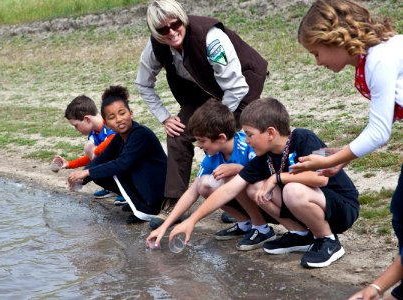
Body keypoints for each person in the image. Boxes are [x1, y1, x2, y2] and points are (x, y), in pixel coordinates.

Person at [291, 0, 402, 296]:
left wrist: (322, 163)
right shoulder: (376, 56)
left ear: (334, 38)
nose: (318, 62)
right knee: (402, 209)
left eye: (316, 52)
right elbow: (383, 121)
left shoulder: (380, 58)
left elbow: (379, 132)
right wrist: (341, 160)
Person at [169, 98, 359, 268]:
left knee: (292, 190)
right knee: (253, 188)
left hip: (341, 206)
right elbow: (228, 190)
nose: (247, 141)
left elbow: (321, 178)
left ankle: (328, 240)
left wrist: (277, 178)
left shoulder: (302, 138)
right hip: (310, 205)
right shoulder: (263, 158)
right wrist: (192, 220)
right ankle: (300, 235)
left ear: (270, 133)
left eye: (250, 134)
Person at [135, 0, 268, 224]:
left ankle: (241, 200)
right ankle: (175, 202)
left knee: (226, 141)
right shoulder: (156, 45)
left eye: (175, 24)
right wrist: (165, 117)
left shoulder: (210, 38)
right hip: (200, 92)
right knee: (177, 134)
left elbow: (235, 87)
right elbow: (142, 84)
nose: (170, 32)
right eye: (162, 29)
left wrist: (214, 122)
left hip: (240, 85)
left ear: (182, 19)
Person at [147, 99, 276, 251]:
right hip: (247, 201)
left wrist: (238, 168)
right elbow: (192, 191)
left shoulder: (247, 145)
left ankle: (262, 229)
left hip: (269, 202)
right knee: (204, 184)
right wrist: (165, 226)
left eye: (202, 140)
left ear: (221, 138)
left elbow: (266, 175)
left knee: (233, 177)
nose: (199, 145)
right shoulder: (213, 155)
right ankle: (244, 224)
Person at [67, 86, 168, 224]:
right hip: (144, 181)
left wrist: (87, 172)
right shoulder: (119, 138)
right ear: (106, 123)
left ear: (131, 113)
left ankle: (149, 209)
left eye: (122, 113)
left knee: (110, 170)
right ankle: (136, 201)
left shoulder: (140, 134)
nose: (119, 119)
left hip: (158, 187)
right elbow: (101, 159)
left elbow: (122, 164)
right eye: (112, 117)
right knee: (98, 172)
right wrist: (81, 178)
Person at [50, 95, 125, 204]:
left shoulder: (110, 125)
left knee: (94, 172)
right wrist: (69, 164)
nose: (76, 129)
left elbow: (104, 151)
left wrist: (92, 152)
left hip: (130, 169)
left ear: (87, 119)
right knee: (94, 170)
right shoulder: (94, 133)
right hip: (115, 166)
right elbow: (94, 158)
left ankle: (126, 191)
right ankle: (113, 188)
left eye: (76, 125)